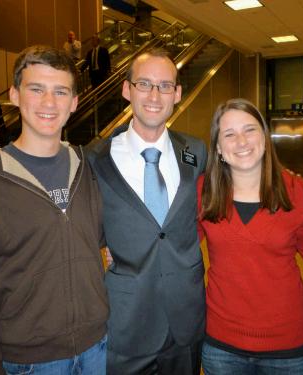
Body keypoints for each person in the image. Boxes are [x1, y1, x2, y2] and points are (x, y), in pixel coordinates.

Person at [0, 45, 109, 375]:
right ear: (15, 95)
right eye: (37, 89)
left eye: (60, 91)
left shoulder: (89, 169)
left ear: (74, 103)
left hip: (98, 348)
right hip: (29, 362)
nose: (49, 103)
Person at [87, 48, 207, 375]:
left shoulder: (196, 152)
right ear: (127, 90)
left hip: (185, 322)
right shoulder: (95, 159)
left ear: (177, 94)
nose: (155, 95)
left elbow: (231, 188)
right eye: (144, 84)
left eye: (165, 85)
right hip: (126, 324)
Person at [198, 98, 303, 374]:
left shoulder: (296, 191)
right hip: (222, 344)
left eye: (249, 129)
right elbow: (172, 243)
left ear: (264, 137)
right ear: (219, 148)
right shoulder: (204, 192)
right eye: (229, 134)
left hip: (287, 345)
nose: (242, 141)